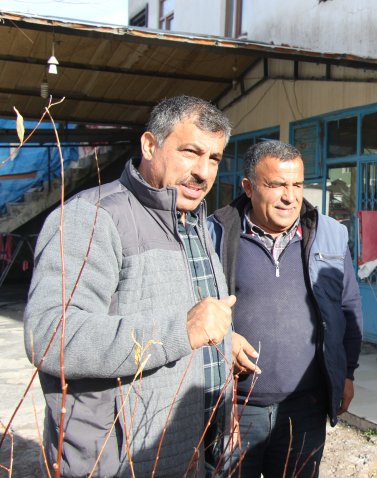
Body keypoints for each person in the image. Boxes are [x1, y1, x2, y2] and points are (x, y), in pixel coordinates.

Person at [24, 96, 246, 477]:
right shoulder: (93, 217)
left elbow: (184, 317)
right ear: (149, 145)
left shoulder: (192, 222)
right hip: (119, 459)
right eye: (190, 152)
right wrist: (181, 328)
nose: (203, 172)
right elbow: (50, 335)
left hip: (188, 447)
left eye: (214, 159)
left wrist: (224, 352)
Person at [207, 140, 362, 478]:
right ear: (248, 187)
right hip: (235, 408)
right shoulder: (214, 235)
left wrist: (347, 373)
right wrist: (223, 341)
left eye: (297, 185)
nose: (290, 196)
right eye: (276, 185)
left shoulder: (330, 235)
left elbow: (348, 307)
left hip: (305, 407)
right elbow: (195, 313)